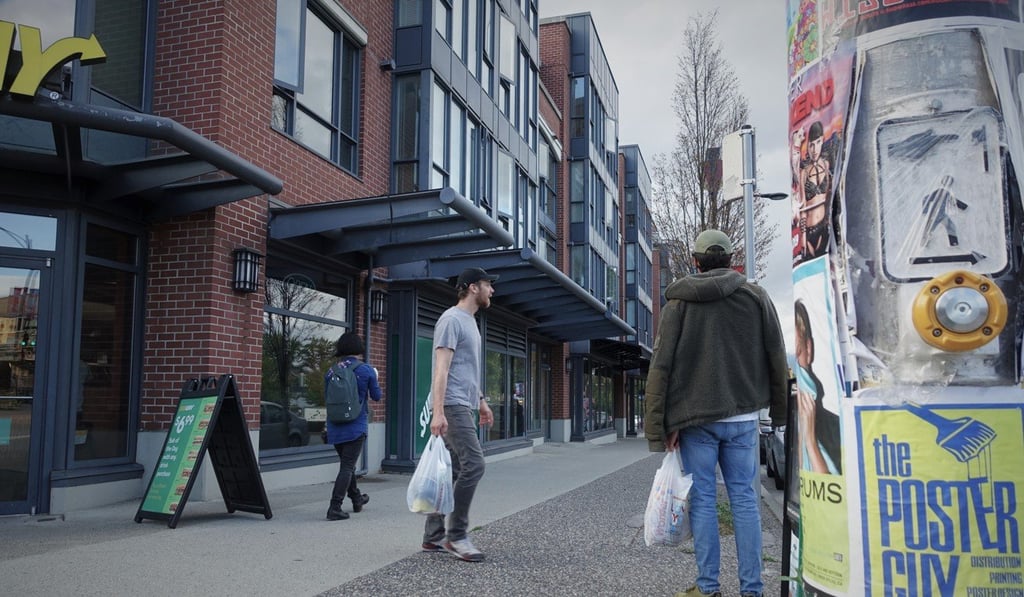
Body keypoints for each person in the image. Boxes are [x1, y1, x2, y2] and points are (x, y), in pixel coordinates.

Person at [645, 230, 788, 597]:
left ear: (695, 260)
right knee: (745, 500)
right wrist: (781, 412)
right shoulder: (756, 297)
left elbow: (661, 367)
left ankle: (708, 588)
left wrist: (660, 428)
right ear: (731, 258)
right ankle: (752, 590)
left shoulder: (679, 304)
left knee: (704, 501)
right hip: (742, 419)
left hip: (696, 422)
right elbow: (776, 353)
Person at [421, 267, 497, 562]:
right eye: (489, 285)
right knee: (474, 465)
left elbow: (466, 369)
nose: (492, 290)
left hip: (463, 404)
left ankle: (433, 536)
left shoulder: (470, 322)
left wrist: (480, 401)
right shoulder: (451, 319)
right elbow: (441, 369)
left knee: (451, 471)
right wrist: (438, 413)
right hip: (451, 406)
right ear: (473, 287)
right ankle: (457, 536)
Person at [325, 331, 382, 521]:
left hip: (334, 427)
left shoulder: (331, 371)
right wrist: (375, 377)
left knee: (346, 465)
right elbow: (376, 396)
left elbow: (327, 397)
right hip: (355, 426)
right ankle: (335, 507)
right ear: (358, 349)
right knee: (347, 467)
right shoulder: (366, 370)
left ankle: (357, 499)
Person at [794, 300, 842, 475]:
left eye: (798, 351)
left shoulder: (836, 428)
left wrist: (810, 442)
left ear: (808, 348)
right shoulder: (797, 420)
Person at [798, 121, 831, 259]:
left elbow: (830, 196)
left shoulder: (826, 165)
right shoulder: (804, 173)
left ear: (822, 140)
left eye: (817, 143)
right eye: (811, 144)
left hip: (824, 224)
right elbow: (802, 205)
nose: (814, 149)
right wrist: (803, 235)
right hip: (810, 229)